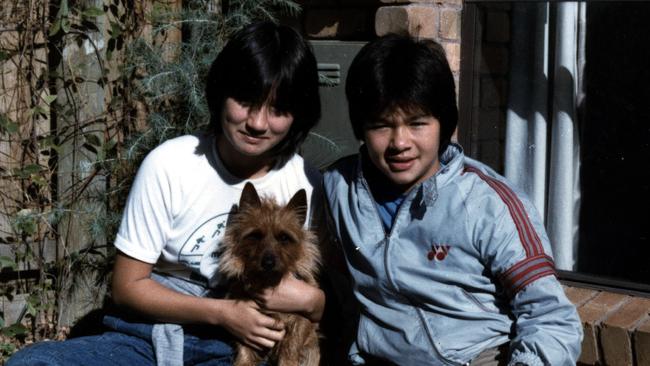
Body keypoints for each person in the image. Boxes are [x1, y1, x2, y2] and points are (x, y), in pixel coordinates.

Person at [8, 21, 325, 366]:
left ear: (298, 116)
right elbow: (128, 287)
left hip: (247, 347)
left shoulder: (305, 181)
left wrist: (314, 302)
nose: (258, 123)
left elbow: (324, 302)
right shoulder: (171, 164)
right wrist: (223, 312)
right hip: (152, 335)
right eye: (246, 101)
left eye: (278, 110)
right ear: (221, 94)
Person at [322, 35, 583, 365]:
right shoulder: (337, 189)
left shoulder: (488, 203)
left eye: (417, 123)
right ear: (361, 128)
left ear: (443, 122)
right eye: (381, 126)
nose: (399, 142)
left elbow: (551, 320)